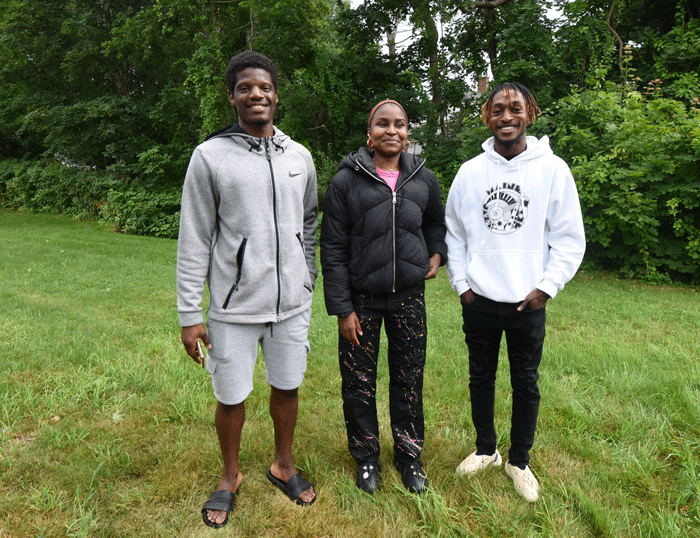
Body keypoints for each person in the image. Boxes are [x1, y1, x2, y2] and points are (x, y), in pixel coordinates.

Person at [177, 51, 318, 529]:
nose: (256, 94)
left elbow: (310, 222)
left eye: (264, 87)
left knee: (288, 387)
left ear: (276, 94)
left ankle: (283, 464)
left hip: (292, 306)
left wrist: (306, 277)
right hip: (233, 309)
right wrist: (189, 315)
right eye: (245, 88)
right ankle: (230, 474)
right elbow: (194, 236)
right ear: (233, 97)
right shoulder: (210, 157)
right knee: (231, 396)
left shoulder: (299, 156)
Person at [444, 82, 586, 502]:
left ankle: (518, 460)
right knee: (480, 376)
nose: (507, 116)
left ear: (531, 114)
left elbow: (569, 237)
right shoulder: (471, 172)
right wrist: (462, 285)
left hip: (529, 301)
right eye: (498, 109)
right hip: (480, 300)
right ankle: (486, 449)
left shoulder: (552, 169)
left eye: (515, 109)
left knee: (525, 381)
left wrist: (547, 287)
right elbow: (454, 231)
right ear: (486, 117)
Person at [320, 99, 447, 495]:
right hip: (362, 302)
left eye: (400, 124)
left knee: (409, 378)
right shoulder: (346, 182)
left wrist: (437, 251)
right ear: (369, 135)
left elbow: (436, 223)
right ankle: (366, 458)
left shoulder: (424, 179)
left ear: (408, 134)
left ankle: (409, 457)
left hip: (409, 297)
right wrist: (343, 309)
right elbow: (333, 248)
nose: (392, 130)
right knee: (358, 382)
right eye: (382, 124)